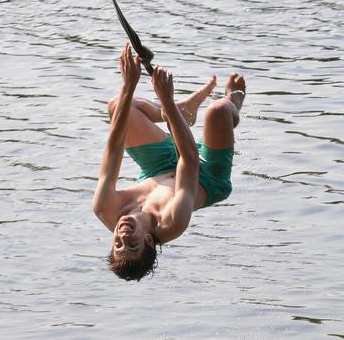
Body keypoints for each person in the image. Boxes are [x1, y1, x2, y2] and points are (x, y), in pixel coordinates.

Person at [92, 43, 246, 281]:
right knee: (217, 111)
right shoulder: (172, 221)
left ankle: (183, 112)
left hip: (158, 166)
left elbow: (113, 149)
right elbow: (190, 161)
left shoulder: (105, 208)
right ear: (148, 240)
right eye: (132, 246)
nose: (123, 236)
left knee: (118, 106)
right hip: (206, 175)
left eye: (117, 245)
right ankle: (232, 101)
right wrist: (167, 100)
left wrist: (129, 85)